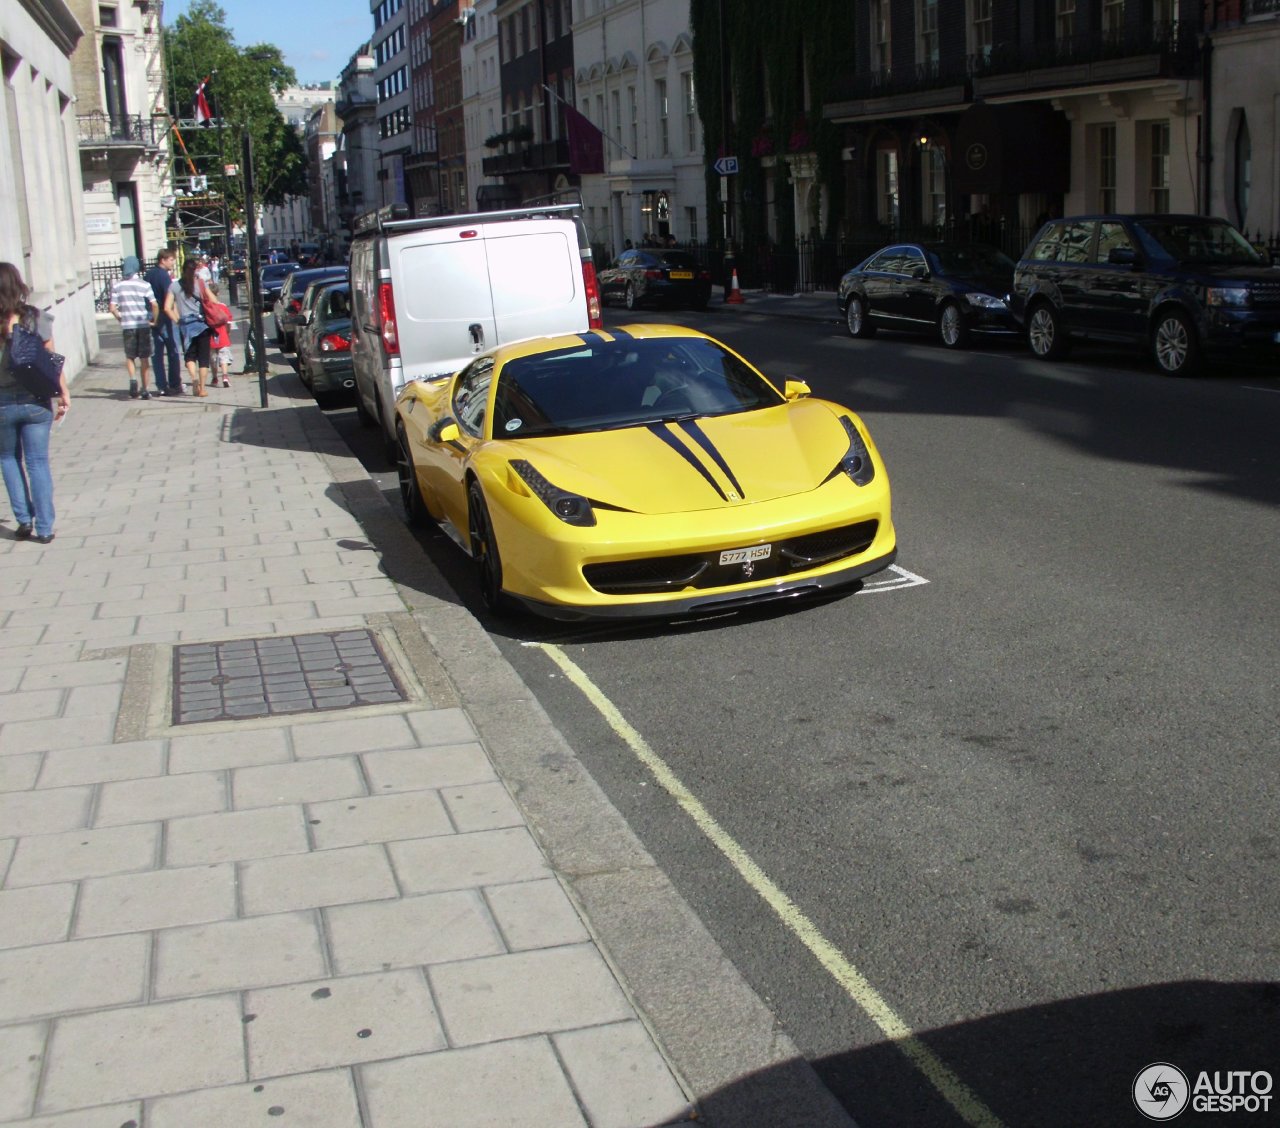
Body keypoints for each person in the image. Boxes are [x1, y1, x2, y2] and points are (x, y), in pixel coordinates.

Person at [0, 262, 69, 544]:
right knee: (38, 462)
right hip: (36, 400)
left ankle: (23, 519)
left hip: (2, 402)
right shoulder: (35, 317)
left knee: (7, 458)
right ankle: (45, 527)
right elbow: (51, 361)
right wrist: (63, 393)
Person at [109, 255, 158, 399]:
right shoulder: (144, 285)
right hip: (142, 323)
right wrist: (154, 320)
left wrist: (120, 318)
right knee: (144, 358)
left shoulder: (117, 286)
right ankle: (145, 389)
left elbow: (112, 307)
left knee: (130, 356)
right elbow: (154, 304)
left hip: (127, 325)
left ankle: (132, 379)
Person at [167, 258, 212, 397]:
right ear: (195, 270)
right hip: (202, 324)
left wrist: (178, 321)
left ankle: (194, 379)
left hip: (186, 326)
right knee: (204, 359)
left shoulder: (174, 286)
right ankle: (203, 389)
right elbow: (211, 300)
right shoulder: (200, 283)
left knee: (190, 357)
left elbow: (166, 307)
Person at [145, 249, 182, 395]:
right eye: (171, 260)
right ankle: (174, 383)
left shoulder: (148, 274)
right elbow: (170, 298)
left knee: (157, 354)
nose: (173, 263)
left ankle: (161, 385)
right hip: (164, 315)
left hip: (150, 314)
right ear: (163, 260)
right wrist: (176, 316)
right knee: (173, 350)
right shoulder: (164, 276)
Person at [206, 282, 233, 388]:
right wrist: (228, 332)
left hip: (211, 337)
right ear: (218, 293)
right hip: (223, 335)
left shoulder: (207, 308)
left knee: (213, 359)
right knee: (224, 358)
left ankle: (214, 377)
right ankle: (225, 376)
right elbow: (229, 322)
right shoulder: (223, 307)